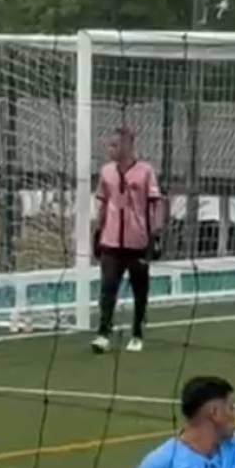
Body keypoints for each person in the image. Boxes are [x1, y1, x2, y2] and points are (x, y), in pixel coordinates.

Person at [91, 127, 167, 355]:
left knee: (139, 291)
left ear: (127, 146)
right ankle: (103, 333)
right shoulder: (106, 172)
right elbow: (102, 204)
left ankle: (137, 333)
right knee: (107, 289)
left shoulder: (145, 172)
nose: (109, 149)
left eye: (114, 145)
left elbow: (156, 204)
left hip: (138, 243)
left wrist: (156, 235)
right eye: (109, 145)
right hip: (111, 242)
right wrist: (97, 231)